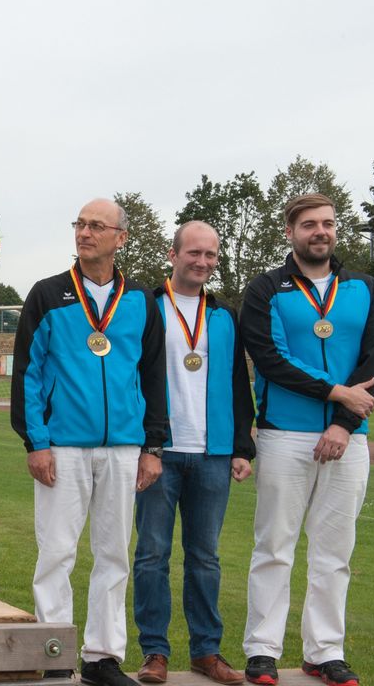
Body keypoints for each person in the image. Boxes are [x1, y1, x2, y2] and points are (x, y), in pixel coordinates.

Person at [10, 198, 167, 686]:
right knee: (57, 550)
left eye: (96, 226)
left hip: (123, 447)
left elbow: (154, 377)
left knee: (114, 552)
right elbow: (28, 374)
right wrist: (35, 441)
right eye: (79, 224)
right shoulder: (48, 294)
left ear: (121, 237)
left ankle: (102, 657)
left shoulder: (140, 301)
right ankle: (54, 651)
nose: (84, 232)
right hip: (63, 446)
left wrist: (152, 446)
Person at [239, 193, 374, 686]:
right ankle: (262, 650)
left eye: (327, 223)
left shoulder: (364, 288)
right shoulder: (266, 289)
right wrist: (335, 392)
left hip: (349, 439)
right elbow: (271, 358)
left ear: (335, 230)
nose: (319, 231)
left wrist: (343, 422)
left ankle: (324, 651)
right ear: (290, 232)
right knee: (274, 547)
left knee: (334, 551)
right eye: (308, 224)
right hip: (285, 436)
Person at [132, 221, 254, 685]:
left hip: (213, 454)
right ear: (173, 254)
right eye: (194, 253)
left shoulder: (224, 315)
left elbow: (236, 383)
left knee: (205, 557)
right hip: (159, 453)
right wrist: (147, 444)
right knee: (151, 556)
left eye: (211, 256)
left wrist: (242, 446)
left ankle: (206, 652)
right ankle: (155, 653)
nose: (202, 262)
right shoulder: (146, 307)